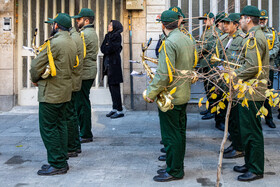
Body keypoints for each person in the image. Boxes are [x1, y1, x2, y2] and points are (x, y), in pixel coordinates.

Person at [145, 10, 195, 182]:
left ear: (163, 25)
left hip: (171, 97)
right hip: (183, 94)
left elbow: (164, 75)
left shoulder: (169, 42)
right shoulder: (187, 39)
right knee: (179, 134)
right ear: (178, 23)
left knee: (171, 135)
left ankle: (174, 170)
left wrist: (150, 93)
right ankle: (176, 167)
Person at [30, 13, 77, 175]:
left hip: (51, 92)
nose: (52, 27)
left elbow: (36, 66)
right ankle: (62, 159)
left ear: (56, 26)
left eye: (53, 24)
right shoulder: (71, 41)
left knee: (48, 128)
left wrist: (34, 79)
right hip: (65, 91)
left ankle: (57, 163)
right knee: (61, 125)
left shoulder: (54, 43)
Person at [233, 5, 269, 182]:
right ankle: (249, 163)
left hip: (252, 92)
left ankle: (255, 169)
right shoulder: (253, 35)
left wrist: (234, 76)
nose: (239, 21)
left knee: (252, 132)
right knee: (247, 131)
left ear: (248, 19)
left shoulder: (254, 37)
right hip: (249, 91)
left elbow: (252, 67)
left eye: (241, 18)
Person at [216, 13, 245, 158]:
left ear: (236, 24)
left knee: (237, 117)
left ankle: (239, 147)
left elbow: (243, 63)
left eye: (228, 23)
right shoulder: (225, 38)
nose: (224, 26)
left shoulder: (243, 39)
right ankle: (235, 144)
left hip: (237, 84)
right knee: (232, 117)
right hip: (226, 83)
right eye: (223, 23)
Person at [72, 8, 99, 143]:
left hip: (84, 73)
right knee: (83, 102)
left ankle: (86, 133)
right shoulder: (90, 32)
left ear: (86, 20)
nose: (77, 22)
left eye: (79, 19)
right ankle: (85, 132)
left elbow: (79, 55)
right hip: (89, 71)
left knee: (81, 104)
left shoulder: (84, 34)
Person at [65, 14, 84, 157]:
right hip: (73, 79)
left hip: (71, 81)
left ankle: (72, 146)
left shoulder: (73, 38)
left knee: (70, 114)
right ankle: (74, 144)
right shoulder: (75, 36)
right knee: (72, 113)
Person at [259, 9, 279, 128]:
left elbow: (276, 46)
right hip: (256, 68)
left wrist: (267, 55)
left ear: (267, 20)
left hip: (268, 67)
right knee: (255, 94)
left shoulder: (272, 33)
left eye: (264, 19)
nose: (262, 21)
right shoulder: (253, 32)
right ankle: (257, 118)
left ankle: (269, 118)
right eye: (260, 19)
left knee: (268, 93)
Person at [101, 20, 124, 119]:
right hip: (108, 65)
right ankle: (114, 108)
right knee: (111, 87)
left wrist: (107, 46)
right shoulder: (108, 36)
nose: (108, 26)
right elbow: (102, 48)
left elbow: (111, 49)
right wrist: (107, 46)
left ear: (115, 26)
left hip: (114, 65)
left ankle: (119, 110)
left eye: (110, 25)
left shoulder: (117, 36)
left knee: (115, 88)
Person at [197, 12, 217, 120]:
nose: (204, 22)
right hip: (205, 63)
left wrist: (197, 52)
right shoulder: (206, 31)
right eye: (204, 20)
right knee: (207, 88)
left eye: (206, 19)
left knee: (211, 88)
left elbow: (208, 46)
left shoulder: (213, 31)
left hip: (210, 64)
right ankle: (210, 108)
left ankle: (212, 110)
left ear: (212, 20)